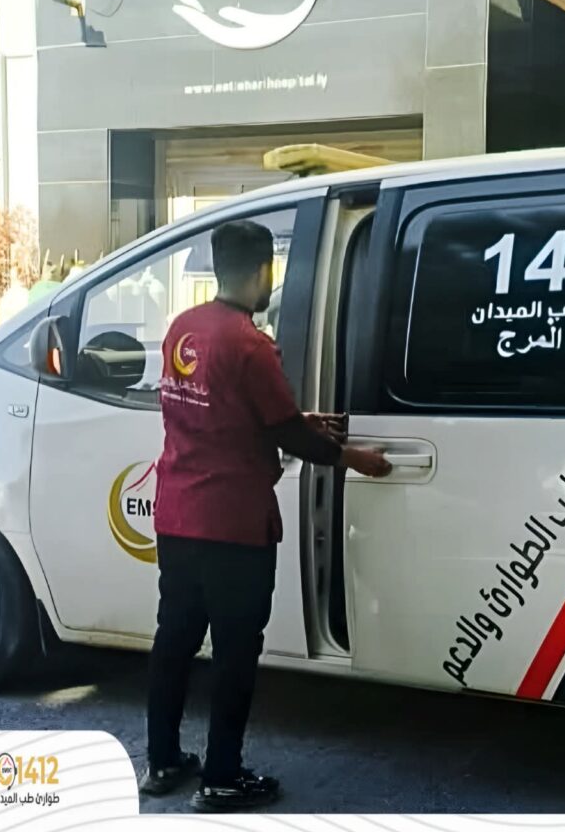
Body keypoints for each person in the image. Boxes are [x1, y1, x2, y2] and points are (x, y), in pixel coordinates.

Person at [140, 219, 391, 811]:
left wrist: (296, 421)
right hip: (233, 525)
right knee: (234, 655)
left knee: (174, 642)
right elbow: (286, 435)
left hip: (178, 516)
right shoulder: (250, 343)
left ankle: (162, 761)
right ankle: (223, 778)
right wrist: (355, 458)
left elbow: (229, 411)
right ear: (263, 271)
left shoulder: (184, 328)